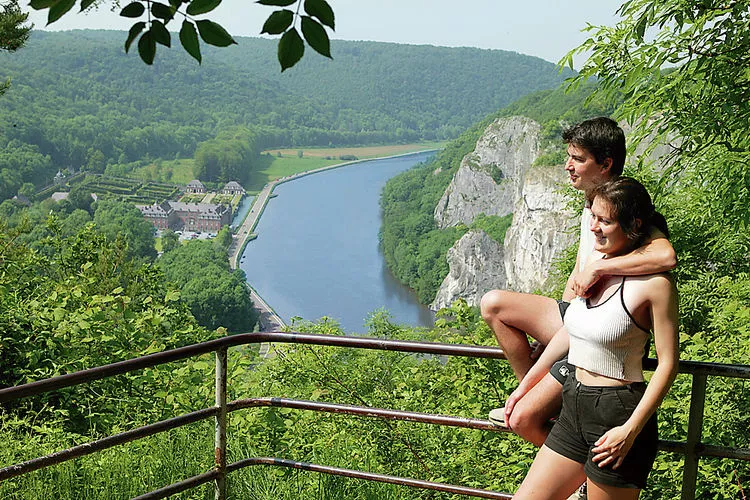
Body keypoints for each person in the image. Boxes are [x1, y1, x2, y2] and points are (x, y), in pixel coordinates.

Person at [480, 117, 677, 446]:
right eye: (568, 156)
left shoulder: (624, 206)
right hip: (577, 314)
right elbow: (576, 275)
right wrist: (553, 332)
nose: (568, 166)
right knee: (494, 305)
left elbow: (666, 257)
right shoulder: (593, 208)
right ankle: (531, 392)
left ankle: (546, 423)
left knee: (524, 419)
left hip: (603, 332)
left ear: (606, 164)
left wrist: (599, 271)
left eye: (578, 158)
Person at [511, 177, 679, 499]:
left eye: (605, 221)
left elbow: (668, 364)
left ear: (633, 225)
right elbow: (572, 332)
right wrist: (527, 385)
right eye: (593, 217)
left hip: (617, 413)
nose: (594, 227)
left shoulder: (656, 284)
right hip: (573, 402)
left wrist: (630, 430)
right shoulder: (595, 266)